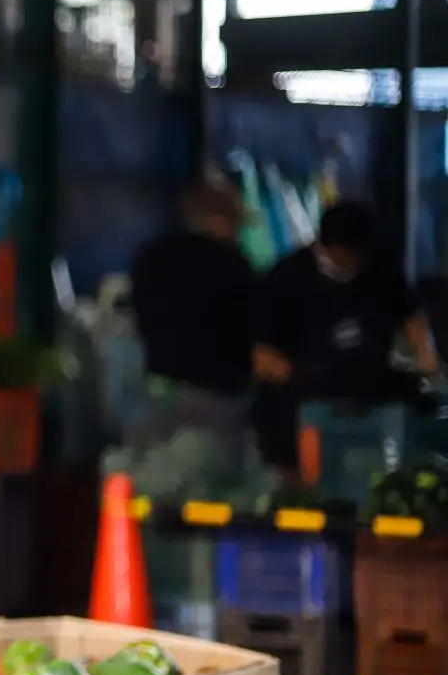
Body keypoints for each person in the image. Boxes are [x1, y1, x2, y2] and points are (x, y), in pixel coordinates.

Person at [252, 199, 440, 468]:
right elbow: (263, 355)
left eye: (357, 260)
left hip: (371, 383)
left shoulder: (381, 268)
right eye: (342, 259)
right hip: (306, 396)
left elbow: (411, 318)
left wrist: (426, 356)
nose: (350, 266)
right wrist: (299, 381)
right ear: (323, 246)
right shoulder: (285, 279)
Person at [130, 181, 257, 400]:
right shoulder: (233, 265)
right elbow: (247, 324)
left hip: (158, 389)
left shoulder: (152, 256)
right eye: (234, 222)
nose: (237, 232)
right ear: (216, 218)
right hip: (217, 393)